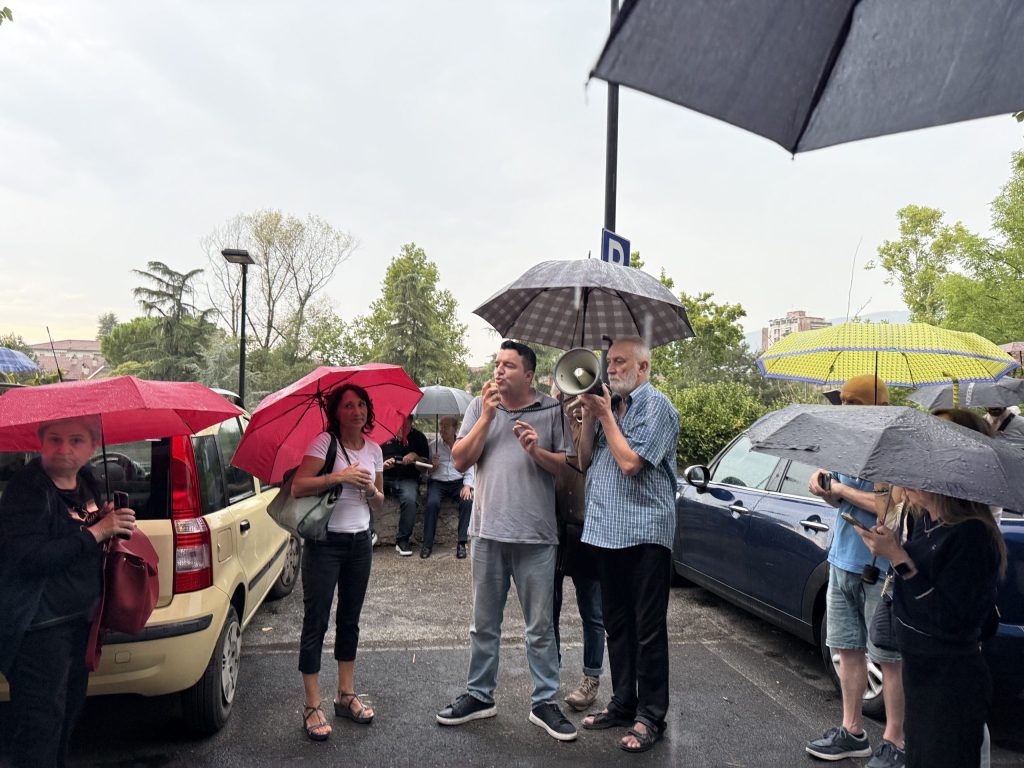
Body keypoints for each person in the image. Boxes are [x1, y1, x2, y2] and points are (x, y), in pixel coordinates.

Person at [436, 340, 578, 742]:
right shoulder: (479, 406)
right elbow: (461, 460)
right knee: (483, 624)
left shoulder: (553, 408)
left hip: (536, 535)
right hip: (486, 531)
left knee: (540, 626)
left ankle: (545, 701)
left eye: (509, 366)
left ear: (529, 374)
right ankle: (480, 696)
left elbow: (567, 470)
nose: (499, 371)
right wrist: (486, 417)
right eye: (497, 363)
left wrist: (537, 451)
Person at [0, 417, 136, 768]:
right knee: (38, 729)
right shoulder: (27, 490)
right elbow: (29, 559)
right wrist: (96, 533)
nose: (64, 449)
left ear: (92, 446)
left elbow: (82, 530)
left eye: (76, 440)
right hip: (40, 628)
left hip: (80, 621)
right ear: (41, 442)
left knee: (66, 719)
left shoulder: (86, 481)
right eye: (55, 439)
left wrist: (106, 518)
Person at [854, 483, 1006, 768]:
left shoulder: (973, 535)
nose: (905, 483)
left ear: (943, 483)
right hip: (920, 672)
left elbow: (949, 615)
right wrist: (891, 547)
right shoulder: (926, 520)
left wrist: (898, 557)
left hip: (950, 680)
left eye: (917, 478)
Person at [577, 336, 679, 754]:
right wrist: (586, 419)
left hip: (644, 536)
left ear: (643, 368)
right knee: (616, 624)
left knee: (647, 630)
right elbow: (584, 461)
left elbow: (630, 463)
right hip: (605, 534)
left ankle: (651, 715)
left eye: (621, 362)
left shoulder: (657, 407)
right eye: (610, 362)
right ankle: (623, 703)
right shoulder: (611, 408)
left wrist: (604, 418)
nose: (612, 368)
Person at [806, 374, 906, 768]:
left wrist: (843, 491)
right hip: (842, 560)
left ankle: (895, 742)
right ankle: (852, 731)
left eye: (853, 403)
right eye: (842, 402)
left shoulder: (893, 450)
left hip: (878, 570)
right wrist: (825, 487)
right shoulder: (846, 445)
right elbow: (844, 503)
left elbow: (890, 507)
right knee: (846, 650)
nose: (845, 409)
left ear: (877, 406)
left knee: (888, 658)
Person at [291, 384, 384, 741]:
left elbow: (380, 502)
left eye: (361, 404)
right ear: (337, 412)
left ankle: (346, 694)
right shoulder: (323, 443)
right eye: (348, 405)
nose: (356, 411)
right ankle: (312, 704)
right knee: (316, 620)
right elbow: (299, 486)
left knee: (350, 619)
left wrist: (370, 490)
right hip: (325, 544)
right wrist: (340, 477)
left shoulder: (374, 449)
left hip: (360, 543)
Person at [549, 383, 605, 713]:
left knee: (592, 612)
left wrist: (587, 416)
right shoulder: (555, 419)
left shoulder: (597, 421)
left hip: (587, 527)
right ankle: (550, 672)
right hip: (555, 526)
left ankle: (591, 678)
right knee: (549, 606)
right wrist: (558, 407)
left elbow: (584, 461)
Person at [421, 415, 474, 559]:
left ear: (455, 428)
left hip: (458, 481)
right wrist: (432, 467)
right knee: (432, 503)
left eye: (445, 426)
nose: (442, 429)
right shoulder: (433, 446)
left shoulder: (463, 445)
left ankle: (461, 544)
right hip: (438, 482)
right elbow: (426, 473)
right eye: (440, 426)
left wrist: (467, 485)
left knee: (467, 501)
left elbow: (469, 467)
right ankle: (427, 545)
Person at [381, 414, 430, 556]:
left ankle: (402, 540)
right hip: (385, 476)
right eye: (399, 425)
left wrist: (415, 456)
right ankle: (369, 533)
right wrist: (383, 465)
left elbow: (425, 467)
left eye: (405, 426)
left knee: (410, 499)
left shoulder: (419, 438)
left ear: (411, 423)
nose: (402, 429)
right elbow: (372, 461)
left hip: (407, 478)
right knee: (365, 490)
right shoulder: (385, 437)